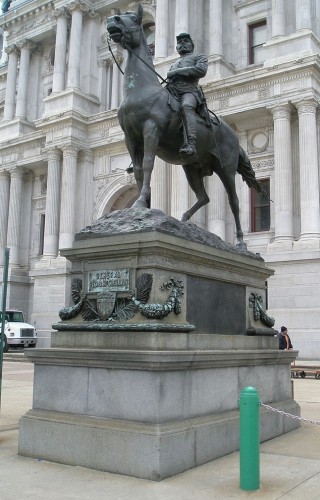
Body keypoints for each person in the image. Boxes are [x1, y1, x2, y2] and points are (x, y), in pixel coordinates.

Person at [166, 33, 208, 158]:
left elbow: (201, 70)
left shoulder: (199, 56)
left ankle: (191, 143)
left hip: (189, 91)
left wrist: (176, 72)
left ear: (192, 45)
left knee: (186, 107)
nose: (182, 43)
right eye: (179, 42)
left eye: (185, 41)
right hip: (172, 91)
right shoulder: (174, 63)